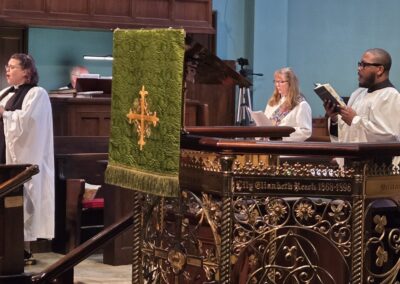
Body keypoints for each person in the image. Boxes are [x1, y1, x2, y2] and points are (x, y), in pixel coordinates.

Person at [0, 53, 54, 264]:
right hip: (3, 152)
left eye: (12, 67)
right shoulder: (4, 92)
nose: (8, 70)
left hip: (21, 156)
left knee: (19, 202)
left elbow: (30, 122)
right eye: (7, 66)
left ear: (26, 71)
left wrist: (5, 114)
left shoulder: (37, 94)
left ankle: (21, 249)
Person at [324, 48, 400, 164]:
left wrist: (354, 120)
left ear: (379, 69)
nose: (359, 68)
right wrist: (334, 119)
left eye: (364, 65)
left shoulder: (390, 96)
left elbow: (388, 136)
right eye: (359, 64)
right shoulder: (358, 94)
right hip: (352, 162)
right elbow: (347, 132)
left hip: (376, 168)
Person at [264, 67, 312, 141]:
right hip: (268, 146)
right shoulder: (272, 103)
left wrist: (281, 136)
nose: (277, 85)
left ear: (291, 84)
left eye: (281, 82)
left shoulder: (301, 105)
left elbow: (305, 131)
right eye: (276, 81)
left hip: (286, 148)